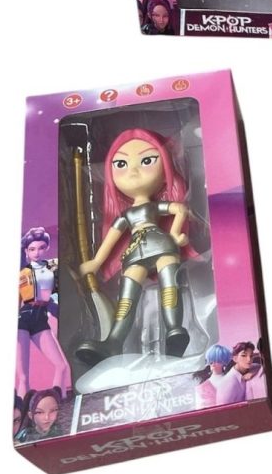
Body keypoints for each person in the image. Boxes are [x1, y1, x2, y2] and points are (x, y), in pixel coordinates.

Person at [75, 129, 191, 367]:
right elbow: (112, 238)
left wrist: (174, 233)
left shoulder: (153, 206)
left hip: (161, 244)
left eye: (147, 160)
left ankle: (175, 331)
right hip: (135, 253)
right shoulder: (125, 215)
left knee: (170, 287)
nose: (133, 171)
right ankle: (113, 342)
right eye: (121, 164)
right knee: (126, 299)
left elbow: (180, 209)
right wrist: (96, 262)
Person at [17, 228, 70, 396]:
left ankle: (58, 403)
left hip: (41, 318)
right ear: (26, 251)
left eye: (40, 248)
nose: (36, 252)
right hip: (22, 318)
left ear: (46, 247)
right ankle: (21, 410)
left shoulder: (52, 268)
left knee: (61, 366)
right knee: (23, 377)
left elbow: (53, 297)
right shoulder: (22, 272)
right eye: (32, 249)